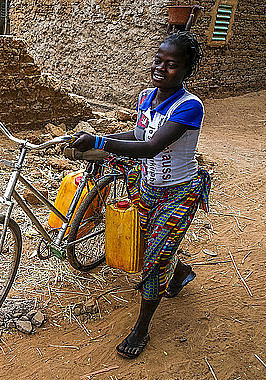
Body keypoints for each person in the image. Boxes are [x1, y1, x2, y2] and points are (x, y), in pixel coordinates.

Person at [69, 31, 211, 359]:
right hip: (147, 187)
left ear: (187, 70)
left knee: (153, 260)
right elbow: (138, 132)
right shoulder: (147, 97)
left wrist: (100, 143)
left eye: (172, 64)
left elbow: (151, 146)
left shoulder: (190, 107)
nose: (161, 68)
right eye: (158, 60)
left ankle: (141, 329)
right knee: (149, 244)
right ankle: (181, 273)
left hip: (178, 194)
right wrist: (96, 140)